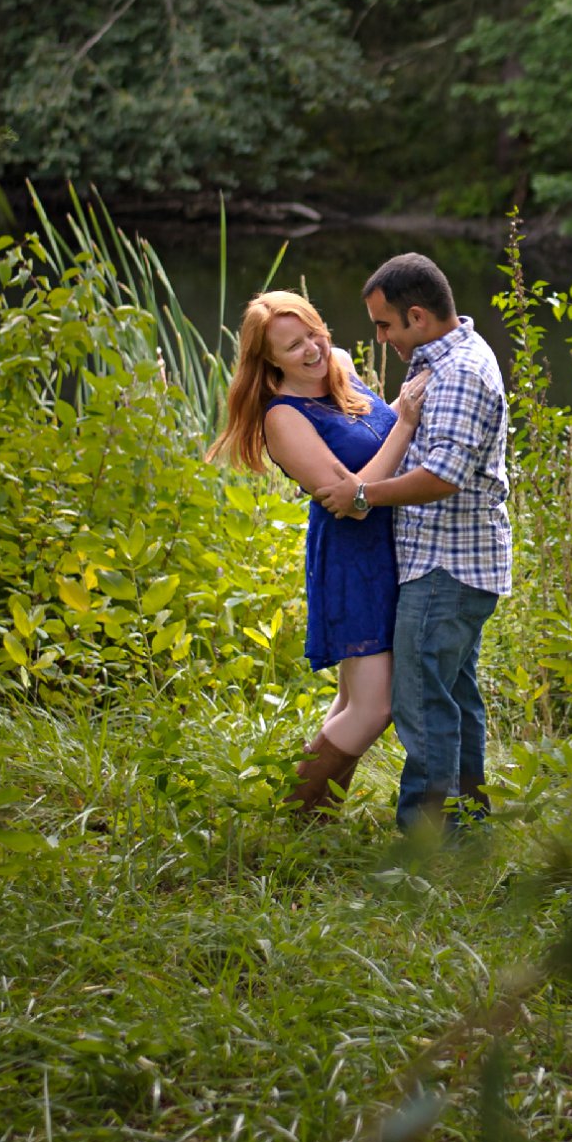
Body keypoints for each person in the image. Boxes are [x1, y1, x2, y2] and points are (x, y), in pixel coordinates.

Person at [207, 290, 427, 815]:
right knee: (375, 707)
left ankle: (315, 822)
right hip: (353, 558)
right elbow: (353, 501)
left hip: (393, 548)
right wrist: (409, 422)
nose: (312, 349)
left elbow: (372, 439)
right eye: (293, 346)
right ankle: (289, 817)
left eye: (313, 332)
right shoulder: (283, 419)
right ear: (269, 362)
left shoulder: (342, 367)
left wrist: (406, 402)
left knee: (354, 702)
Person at [331, 253, 512, 834]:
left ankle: (427, 847)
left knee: (423, 705)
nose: (381, 340)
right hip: (447, 566)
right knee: (453, 699)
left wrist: (364, 495)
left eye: (385, 327)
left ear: (417, 316)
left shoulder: (458, 373)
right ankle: (465, 828)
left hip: (447, 568)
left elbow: (442, 476)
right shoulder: (441, 359)